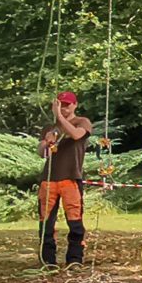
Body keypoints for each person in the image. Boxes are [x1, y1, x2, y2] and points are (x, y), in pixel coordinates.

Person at [38, 90, 93, 268]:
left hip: (71, 178)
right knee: (46, 222)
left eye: (67, 105)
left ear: (75, 105)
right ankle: (48, 261)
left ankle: (75, 259)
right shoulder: (49, 127)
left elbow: (77, 135)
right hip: (49, 180)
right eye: (60, 105)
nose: (64, 109)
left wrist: (60, 120)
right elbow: (41, 153)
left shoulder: (82, 122)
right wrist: (46, 142)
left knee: (75, 221)